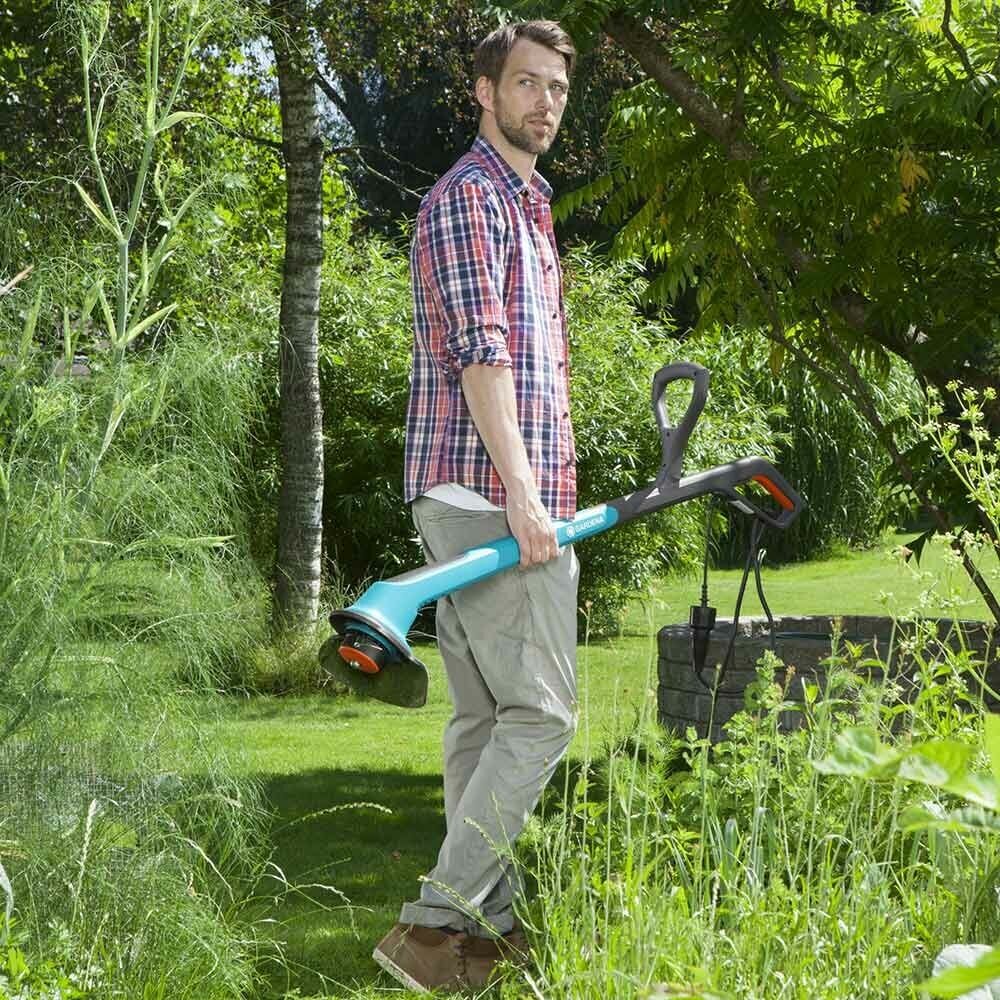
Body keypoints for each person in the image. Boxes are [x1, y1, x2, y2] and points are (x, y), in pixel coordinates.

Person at [371, 19, 580, 995]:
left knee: (485, 720)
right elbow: (482, 358)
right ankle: (430, 924)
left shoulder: (525, 204)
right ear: (484, 93)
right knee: (543, 714)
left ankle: (477, 937)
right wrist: (528, 500)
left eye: (556, 88)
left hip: (487, 490)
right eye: (526, 84)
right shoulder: (471, 201)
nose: (544, 102)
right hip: (491, 492)